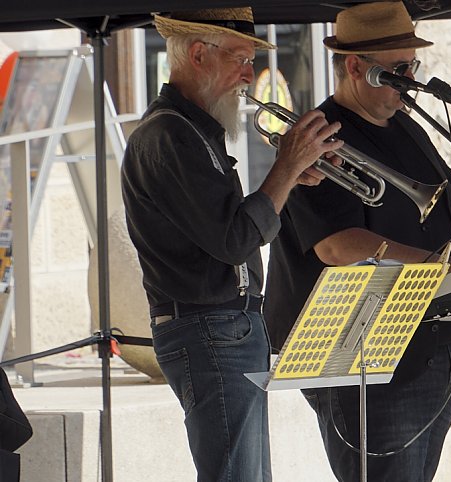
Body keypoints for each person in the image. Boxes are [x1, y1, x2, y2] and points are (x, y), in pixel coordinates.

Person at [263, 2, 451, 481]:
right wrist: (442, 266)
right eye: (398, 70)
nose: (410, 81)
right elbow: (337, 247)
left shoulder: (407, 128)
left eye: (413, 67)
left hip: (427, 343)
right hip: (363, 357)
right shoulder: (317, 138)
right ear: (357, 67)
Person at [120, 8, 343, 481]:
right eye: (241, 58)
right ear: (199, 54)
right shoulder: (169, 136)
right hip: (209, 328)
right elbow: (237, 239)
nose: (251, 74)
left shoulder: (192, 130)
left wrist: (287, 180)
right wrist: (284, 166)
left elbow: (228, 227)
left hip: (224, 328)